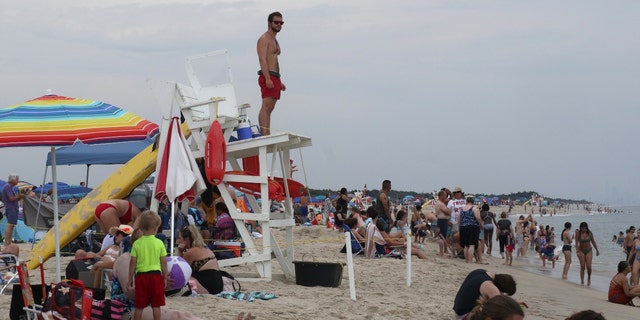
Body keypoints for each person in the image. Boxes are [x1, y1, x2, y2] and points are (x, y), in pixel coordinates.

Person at [128, 211, 168, 320]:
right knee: (156, 305)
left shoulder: (137, 243)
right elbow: (163, 262)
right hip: (156, 275)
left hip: (141, 276)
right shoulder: (159, 243)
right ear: (156, 228)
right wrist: (165, 276)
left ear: (140, 227)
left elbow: (132, 263)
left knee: (139, 305)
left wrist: (130, 279)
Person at [177, 225, 230, 294]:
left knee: (182, 280)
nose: (178, 241)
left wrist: (179, 251)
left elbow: (179, 269)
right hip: (217, 282)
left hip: (208, 284)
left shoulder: (191, 252)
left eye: (179, 238)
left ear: (187, 239)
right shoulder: (205, 248)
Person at [257, 11, 286, 136]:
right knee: (266, 107)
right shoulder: (264, 39)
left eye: (281, 23)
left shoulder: (274, 39)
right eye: (276, 22)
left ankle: (266, 133)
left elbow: (273, 60)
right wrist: (268, 78)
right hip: (268, 76)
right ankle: (265, 134)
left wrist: (279, 81)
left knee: (270, 108)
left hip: (275, 77)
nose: (279, 25)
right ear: (269, 23)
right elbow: (262, 59)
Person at [453, 269, 523, 319]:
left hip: (458, 309)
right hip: (464, 315)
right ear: (500, 289)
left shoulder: (480, 272)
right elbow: (501, 306)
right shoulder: (491, 288)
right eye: (503, 292)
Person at [1, 174, 25, 246]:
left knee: (12, 225)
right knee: (10, 225)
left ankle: (8, 242)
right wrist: (19, 196)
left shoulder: (10, 187)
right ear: (12, 180)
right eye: (17, 179)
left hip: (12, 207)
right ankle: (7, 242)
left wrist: (18, 197)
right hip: (11, 208)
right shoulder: (8, 187)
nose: (17, 181)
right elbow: (11, 198)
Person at [459, 197, 483, 264]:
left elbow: (459, 219)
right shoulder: (474, 208)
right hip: (472, 226)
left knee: (466, 245)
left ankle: (467, 260)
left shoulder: (462, 209)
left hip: (463, 227)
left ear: (466, 201)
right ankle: (470, 261)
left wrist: (460, 227)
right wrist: (481, 224)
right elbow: (477, 217)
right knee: (472, 244)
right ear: (472, 202)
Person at [575, 221, 600, 286]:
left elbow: (593, 241)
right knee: (582, 266)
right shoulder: (578, 233)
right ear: (580, 228)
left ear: (586, 227)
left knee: (589, 266)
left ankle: (589, 278)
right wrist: (577, 251)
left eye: (585, 228)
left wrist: (597, 250)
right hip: (581, 250)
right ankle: (582, 281)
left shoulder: (589, 233)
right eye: (582, 228)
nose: (584, 229)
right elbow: (576, 243)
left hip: (589, 250)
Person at [435, 188, 452, 256]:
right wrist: (449, 211)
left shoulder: (439, 203)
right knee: (443, 236)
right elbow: (448, 212)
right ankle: (442, 251)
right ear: (441, 196)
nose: (446, 197)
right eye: (445, 195)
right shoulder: (440, 203)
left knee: (442, 236)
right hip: (442, 221)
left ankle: (443, 250)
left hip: (442, 220)